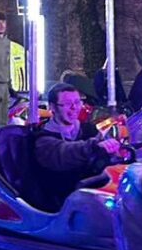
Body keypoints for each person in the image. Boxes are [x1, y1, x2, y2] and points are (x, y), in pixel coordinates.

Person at [32, 83, 122, 212]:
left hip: (94, 194)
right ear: (53, 107)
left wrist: (115, 151)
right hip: (61, 202)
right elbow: (66, 152)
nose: (74, 108)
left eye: (77, 102)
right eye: (67, 104)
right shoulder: (43, 139)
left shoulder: (88, 129)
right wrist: (94, 147)